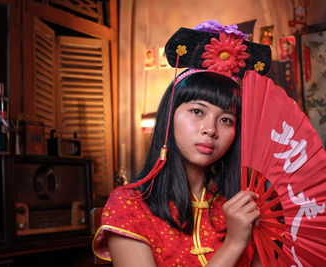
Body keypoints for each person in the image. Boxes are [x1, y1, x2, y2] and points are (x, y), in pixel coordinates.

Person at [93, 20, 272, 266]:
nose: (211, 129)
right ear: (170, 115)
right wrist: (234, 243)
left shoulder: (241, 206)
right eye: (198, 111)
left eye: (226, 119)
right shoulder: (130, 205)